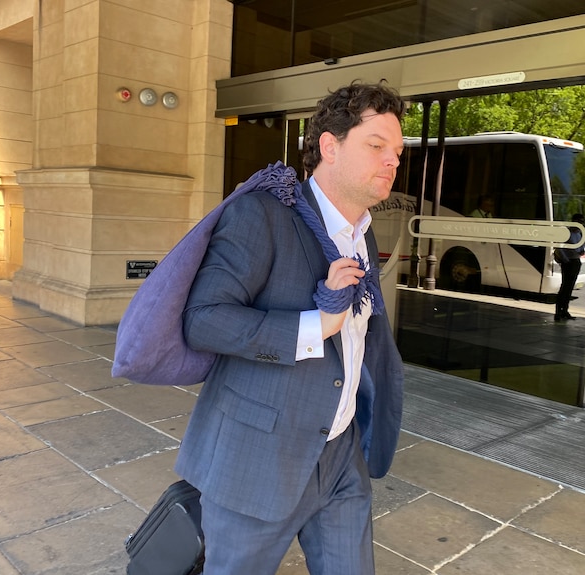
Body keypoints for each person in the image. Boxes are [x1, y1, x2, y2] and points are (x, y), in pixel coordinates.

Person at [174, 81, 406, 575]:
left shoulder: (364, 234)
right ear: (329, 146)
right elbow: (205, 320)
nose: (393, 161)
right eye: (376, 146)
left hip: (339, 454)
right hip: (257, 460)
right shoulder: (262, 216)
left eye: (398, 152)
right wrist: (316, 324)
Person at [554, 213, 585, 321]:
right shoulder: (567, 233)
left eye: (582, 222)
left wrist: (581, 251)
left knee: (570, 287)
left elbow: (581, 247)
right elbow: (559, 248)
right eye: (579, 222)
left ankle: (565, 310)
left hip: (576, 261)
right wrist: (566, 260)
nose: (581, 224)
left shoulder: (579, 234)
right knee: (564, 287)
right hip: (568, 262)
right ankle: (558, 312)